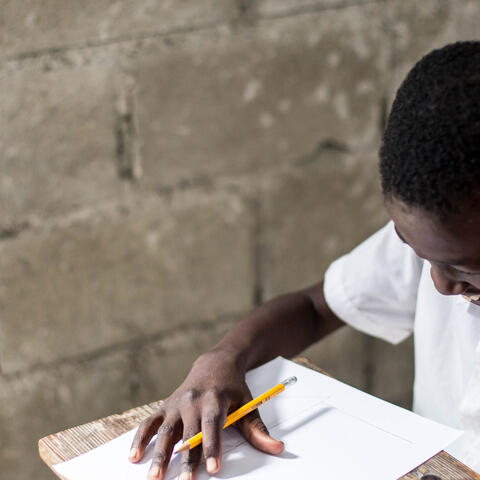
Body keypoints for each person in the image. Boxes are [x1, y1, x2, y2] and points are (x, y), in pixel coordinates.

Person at [129, 41, 480, 479]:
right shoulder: (446, 241)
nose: (440, 285)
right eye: (417, 253)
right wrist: (224, 358)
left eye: (466, 270)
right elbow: (315, 309)